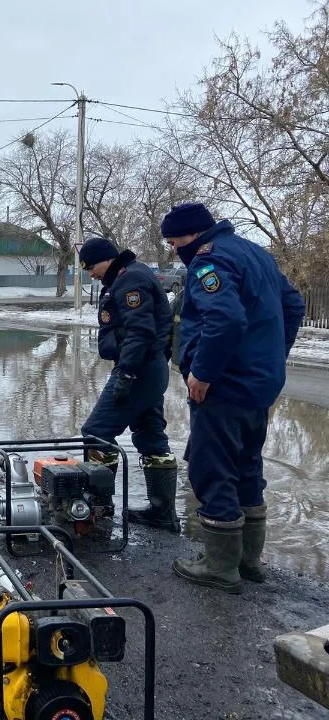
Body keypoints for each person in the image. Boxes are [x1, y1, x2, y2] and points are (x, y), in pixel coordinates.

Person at [161, 202, 305, 594]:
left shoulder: (210, 261)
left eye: (176, 243)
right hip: (259, 383)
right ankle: (247, 561)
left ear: (193, 236)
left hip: (224, 384)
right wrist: (271, 354)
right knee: (246, 464)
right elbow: (293, 305)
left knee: (213, 468)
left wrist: (203, 372)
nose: (176, 251)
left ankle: (220, 566)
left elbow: (224, 318)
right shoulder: (254, 252)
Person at [78, 237, 180, 531]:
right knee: (150, 434)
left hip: (138, 369)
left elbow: (140, 331)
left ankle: (98, 509)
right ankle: (163, 514)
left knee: (96, 432)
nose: (91, 274)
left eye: (92, 267)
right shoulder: (130, 275)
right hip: (148, 368)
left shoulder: (130, 279)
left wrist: (126, 373)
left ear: (108, 259)